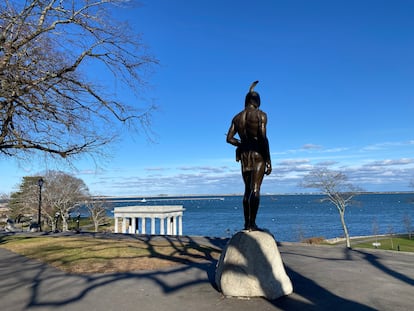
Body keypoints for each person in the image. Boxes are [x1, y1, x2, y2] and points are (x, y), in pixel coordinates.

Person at [226, 81, 272, 230]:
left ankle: (247, 223)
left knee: (247, 190)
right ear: (256, 101)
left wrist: (242, 144)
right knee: (255, 189)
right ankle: (252, 223)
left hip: (245, 156)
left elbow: (229, 138)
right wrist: (269, 160)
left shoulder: (237, 117)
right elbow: (263, 138)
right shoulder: (261, 115)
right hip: (258, 154)